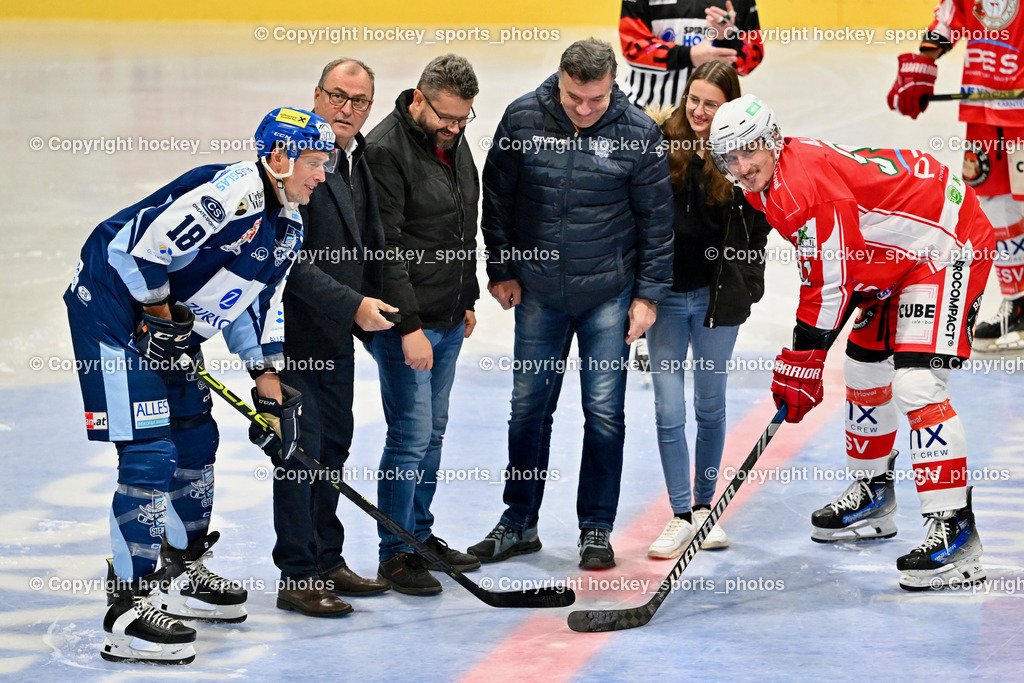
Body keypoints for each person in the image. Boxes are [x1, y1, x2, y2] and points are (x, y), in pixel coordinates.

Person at [64, 107, 336, 663]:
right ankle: (126, 610)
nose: (322, 174)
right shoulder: (231, 194)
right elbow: (136, 251)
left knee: (195, 439)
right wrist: (161, 317)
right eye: (314, 161)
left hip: (164, 324)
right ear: (279, 157)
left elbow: (258, 302)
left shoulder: (288, 223)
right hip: (112, 314)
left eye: (327, 162)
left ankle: (181, 572)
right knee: (149, 454)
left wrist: (267, 380)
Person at [709, 94, 995, 590]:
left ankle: (956, 532)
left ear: (772, 141)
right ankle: (874, 494)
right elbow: (836, 264)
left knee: (917, 385)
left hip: (945, 244)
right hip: (890, 255)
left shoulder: (803, 188)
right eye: (729, 157)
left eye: (748, 150)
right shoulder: (768, 183)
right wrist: (807, 356)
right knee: (864, 369)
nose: (741, 165)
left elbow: (829, 282)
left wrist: (803, 359)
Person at [469, 38, 674, 570]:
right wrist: (502, 269)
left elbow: (657, 223)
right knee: (528, 409)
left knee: (604, 413)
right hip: (538, 292)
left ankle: (596, 528)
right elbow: (498, 201)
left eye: (596, 99)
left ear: (613, 86)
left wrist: (648, 296)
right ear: (558, 80)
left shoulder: (639, 133)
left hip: (609, 295)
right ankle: (519, 522)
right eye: (573, 97)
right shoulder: (522, 119)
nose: (584, 109)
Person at [269, 59, 395, 618]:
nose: (347, 109)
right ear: (316, 95)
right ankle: (298, 574)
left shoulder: (354, 155)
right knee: (300, 454)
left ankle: (327, 559)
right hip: (291, 337)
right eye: (337, 96)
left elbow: (367, 243)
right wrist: (353, 305)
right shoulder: (291, 157)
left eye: (359, 101)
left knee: (333, 447)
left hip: (335, 337)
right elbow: (286, 261)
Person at [363, 54, 482, 595]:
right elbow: (384, 248)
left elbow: (461, 224)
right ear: (418, 98)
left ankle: (419, 535)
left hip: (448, 315)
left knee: (432, 433)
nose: (454, 128)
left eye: (463, 118)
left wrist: (466, 296)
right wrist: (408, 326)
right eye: (446, 117)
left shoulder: (451, 140)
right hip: (407, 325)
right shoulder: (385, 151)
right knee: (410, 437)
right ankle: (394, 553)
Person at [644, 62, 771, 558]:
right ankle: (679, 513)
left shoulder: (740, 154)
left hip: (717, 303)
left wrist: (749, 286)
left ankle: (704, 508)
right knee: (668, 408)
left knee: (710, 406)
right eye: (693, 100)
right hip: (666, 301)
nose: (698, 111)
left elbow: (760, 225)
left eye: (711, 104)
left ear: (729, 107)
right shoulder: (659, 143)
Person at [887, 1, 1024, 350]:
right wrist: (924, 62)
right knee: (995, 205)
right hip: (983, 104)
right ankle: (1018, 305)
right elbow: (951, 17)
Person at [619, 0, 764, 110]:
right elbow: (633, 48)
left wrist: (728, 38)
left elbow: (753, 57)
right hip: (648, 111)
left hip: (714, 121)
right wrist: (690, 55)